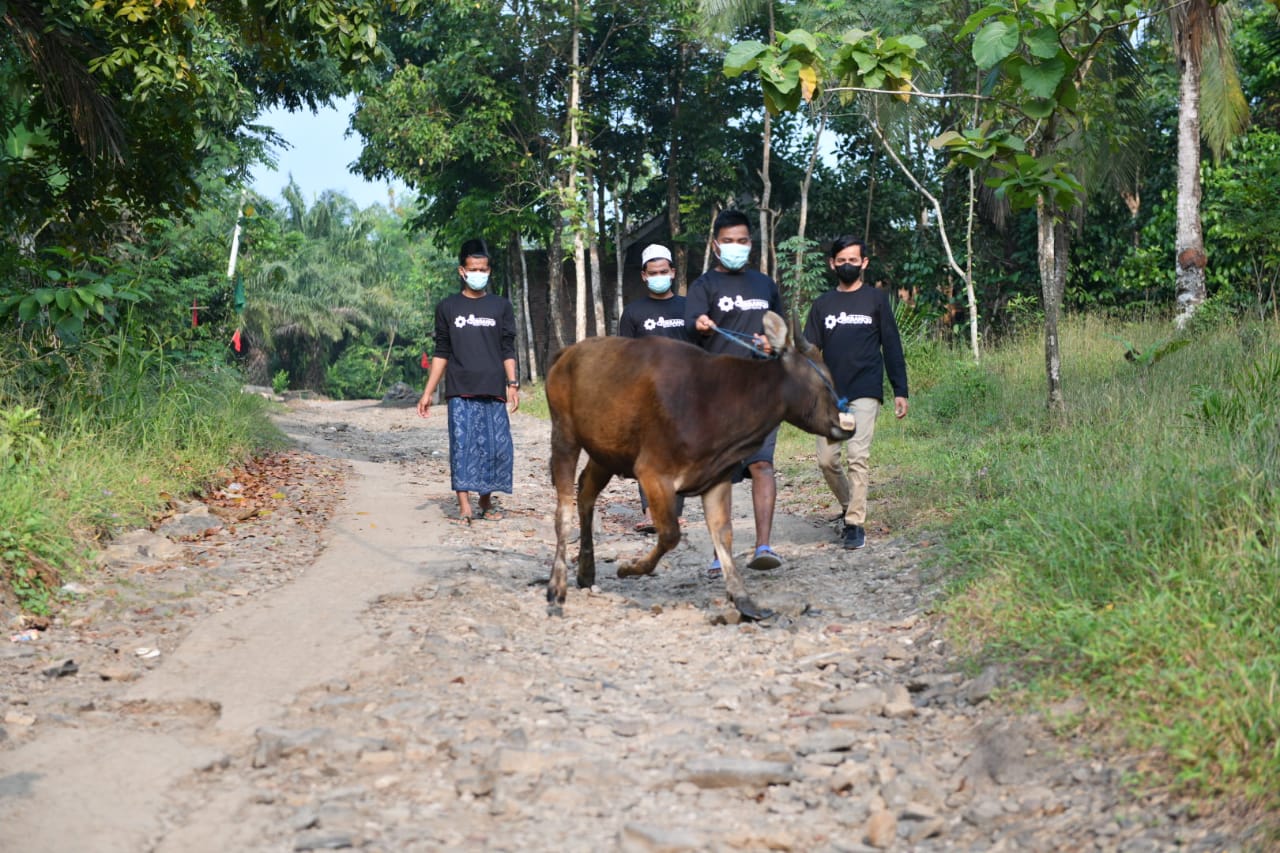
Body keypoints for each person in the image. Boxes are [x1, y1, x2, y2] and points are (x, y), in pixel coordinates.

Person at [685, 209, 786, 575]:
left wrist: (772, 343)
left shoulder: (765, 285)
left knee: (762, 465)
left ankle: (764, 546)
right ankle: (720, 551)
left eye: (742, 241)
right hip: (717, 395)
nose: (735, 247)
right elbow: (689, 325)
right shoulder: (703, 287)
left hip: (762, 390)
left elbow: (781, 331)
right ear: (715, 245)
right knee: (721, 474)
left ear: (751, 244)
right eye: (728, 241)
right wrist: (701, 323)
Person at [802, 236, 908, 550]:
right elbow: (810, 352)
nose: (847, 265)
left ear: (864, 263)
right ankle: (850, 504)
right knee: (826, 460)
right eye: (841, 260)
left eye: (853, 260)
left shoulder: (876, 300)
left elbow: (891, 346)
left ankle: (854, 523)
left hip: (865, 389)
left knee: (857, 457)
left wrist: (901, 390)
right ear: (832, 263)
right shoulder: (822, 305)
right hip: (829, 395)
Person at [417, 239, 520, 524]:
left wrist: (513, 384)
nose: (479, 273)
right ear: (462, 270)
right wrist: (427, 393)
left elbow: (507, 349)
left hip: (493, 389)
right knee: (463, 446)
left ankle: (486, 502)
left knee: (495, 448)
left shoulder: (501, 306)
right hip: (460, 390)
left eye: (483, 269)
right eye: (473, 268)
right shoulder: (448, 307)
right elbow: (441, 352)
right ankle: (464, 506)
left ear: (489, 270)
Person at [617, 243, 691, 533]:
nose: (659, 276)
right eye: (653, 272)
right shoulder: (633, 313)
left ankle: (674, 510)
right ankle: (650, 512)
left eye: (664, 271)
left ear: (672, 272)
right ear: (644, 276)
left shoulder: (688, 307)